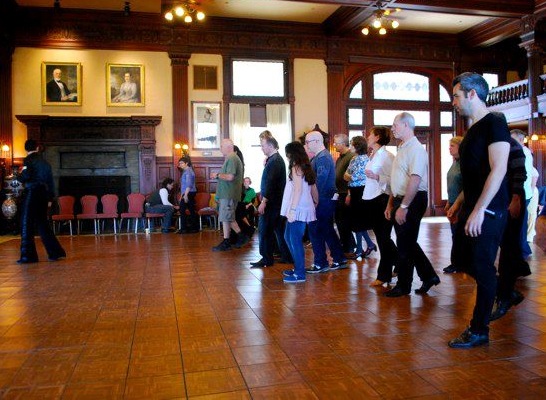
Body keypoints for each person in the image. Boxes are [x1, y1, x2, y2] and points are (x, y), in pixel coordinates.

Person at [448, 72, 510, 349]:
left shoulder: (495, 122)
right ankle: (502, 290)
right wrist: (460, 202)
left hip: (489, 209)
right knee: (462, 260)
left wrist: (480, 209)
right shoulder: (473, 129)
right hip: (473, 207)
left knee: (483, 268)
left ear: (472, 94)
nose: (454, 103)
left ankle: (478, 329)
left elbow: (498, 169)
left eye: (456, 96)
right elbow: (473, 174)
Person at [384, 112, 440, 297]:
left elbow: (415, 180)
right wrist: (391, 204)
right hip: (401, 199)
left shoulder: (416, 149)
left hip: (413, 200)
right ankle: (429, 276)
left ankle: (404, 285)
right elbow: (397, 179)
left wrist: (404, 206)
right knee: (407, 242)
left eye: (395, 125)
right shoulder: (402, 147)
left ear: (407, 125)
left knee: (404, 244)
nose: (392, 128)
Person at [17, 139, 66, 263]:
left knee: (26, 223)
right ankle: (55, 252)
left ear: (26, 149)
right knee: (43, 224)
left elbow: (26, 176)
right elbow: (50, 181)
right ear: (37, 148)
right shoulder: (45, 162)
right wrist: (50, 198)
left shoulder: (28, 160)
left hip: (32, 192)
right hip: (43, 194)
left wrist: (18, 176)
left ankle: (28, 256)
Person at [305, 131, 347, 273]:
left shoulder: (322, 157)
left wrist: (313, 200)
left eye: (307, 142)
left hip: (322, 200)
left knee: (316, 230)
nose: (306, 145)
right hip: (321, 199)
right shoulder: (319, 157)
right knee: (326, 230)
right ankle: (339, 258)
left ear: (317, 141)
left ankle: (320, 263)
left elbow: (319, 182)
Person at [363, 126, 398, 287]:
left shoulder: (387, 156)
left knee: (384, 239)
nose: (367, 137)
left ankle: (384, 275)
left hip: (382, 200)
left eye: (370, 134)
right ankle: (400, 263)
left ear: (377, 138)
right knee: (382, 239)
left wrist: (377, 176)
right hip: (372, 199)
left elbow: (393, 180)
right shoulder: (374, 155)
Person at [251, 134, 292, 268]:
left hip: (271, 203)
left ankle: (266, 258)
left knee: (265, 231)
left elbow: (270, 183)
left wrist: (264, 201)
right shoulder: (275, 159)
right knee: (279, 231)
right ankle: (287, 256)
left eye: (263, 145)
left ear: (270, 145)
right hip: (276, 203)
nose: (261, 148)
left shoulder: (275, 161)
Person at [281, 141, 318, 283]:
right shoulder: (305, 166)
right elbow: (313, 187)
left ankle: (300, 273)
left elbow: (298, 190)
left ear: (291, 154)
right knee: (288, 236)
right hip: (302, 206)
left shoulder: (296, 167)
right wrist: (315, 201)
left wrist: (292, 210)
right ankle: (298, 267)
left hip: (298, 208)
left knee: (294, 240)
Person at [343, 135, 377, 258]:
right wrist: (349, 177)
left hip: (360, 192)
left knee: (358, 222)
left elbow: (350, 176)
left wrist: (349, 176)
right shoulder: (357, 158)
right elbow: (345, 175)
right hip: (356, 190)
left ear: (357, 146)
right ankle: (367, 245)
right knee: (357, 222)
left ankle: (360, 249)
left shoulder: (361, 159)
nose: (350, 146)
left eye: (351, 144)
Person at [210, 139, 247, 251]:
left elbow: (230, 177)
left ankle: (241, 236)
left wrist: (217, 175)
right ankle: (227, 241)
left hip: (229, 194)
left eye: (221, 146)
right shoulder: (231, 158)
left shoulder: (232, 158)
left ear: (228, 146)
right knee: (226, 218)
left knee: (228, 217)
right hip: (227, 194)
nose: (220, 148)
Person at [510, 129, 534, 259]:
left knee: (520, 224)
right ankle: (522, 250)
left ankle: (522, 251)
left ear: (520, 140)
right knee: (520, 223)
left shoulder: (522, 152)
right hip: (524, 192)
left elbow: (521, 174)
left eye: (513, 140)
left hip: (521, 193)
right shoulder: (526, 152)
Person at [333, 134, 357, 254]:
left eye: (336, 143)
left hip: (346, 194)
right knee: (340, 222)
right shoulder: (340, 157)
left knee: (344, 222)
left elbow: (352, 177)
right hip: (339, 193)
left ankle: (349, 247)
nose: (334, 145)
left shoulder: (351, 157)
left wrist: (349, 194)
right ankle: (347, 245)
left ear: (343, 144)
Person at [443, 136, 464, 273]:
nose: (449, 148)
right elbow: (452, 184)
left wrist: (456, 204)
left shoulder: (465, 163)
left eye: (452, 146)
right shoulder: (454, 162)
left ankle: (460, 263)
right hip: (453, 202)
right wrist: (448, 202)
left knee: (459, 234)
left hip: (461, 203)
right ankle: (456, 262)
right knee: (455, 234)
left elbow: (466, 187)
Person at [177, 156, 199, 233]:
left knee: (182, 210)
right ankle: (193, 228)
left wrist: (185, 195)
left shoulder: (188, 172)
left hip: (189, 193)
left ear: (186, 163)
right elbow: (184, 185)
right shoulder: (186, 171)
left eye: (182, 163)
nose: (180, 165)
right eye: (179, 163)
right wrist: (182, 195)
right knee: (191, 210)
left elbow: (189, 185)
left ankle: (184, 229)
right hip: (187, 193)